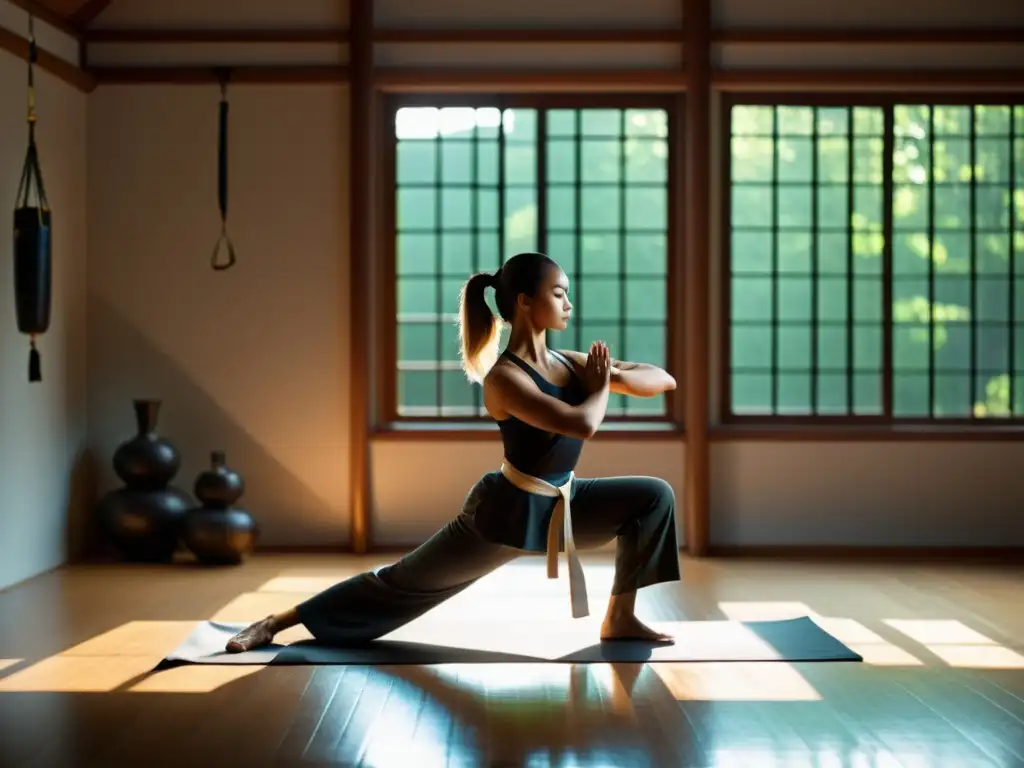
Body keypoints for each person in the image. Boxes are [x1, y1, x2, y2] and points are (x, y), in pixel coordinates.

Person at [226, 251, 681, 653]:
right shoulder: (505, 379)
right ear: (524, 302)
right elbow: (581, 423)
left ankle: (620, 619)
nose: (569, 304)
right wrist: (603, 383)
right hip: (506, 512)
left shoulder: (569, 363)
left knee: (653, 496)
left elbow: (661, 380)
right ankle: (276, 622)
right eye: (559, 294)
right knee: (401, 583)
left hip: (564, 502)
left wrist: (609, 376)